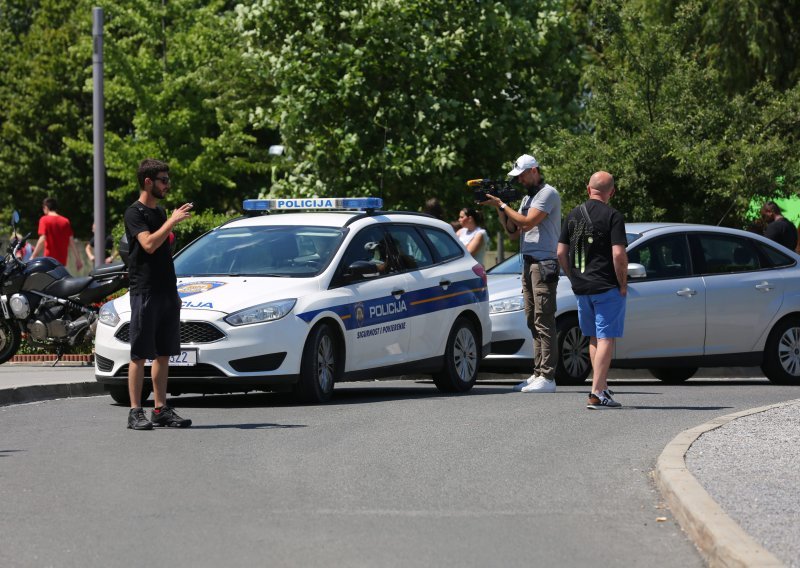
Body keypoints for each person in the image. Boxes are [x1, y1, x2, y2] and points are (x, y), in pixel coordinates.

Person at [481, 154, 561, 393]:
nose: (520, 180)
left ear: (534, 170)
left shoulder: (548, 193)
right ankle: (537, 373)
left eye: (523, 175)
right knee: (531, 319)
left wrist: (503, 205)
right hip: (528, 264)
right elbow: (513, 232)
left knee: (544, 320)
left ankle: (548, 376)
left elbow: (528, 223)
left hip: (544, 263)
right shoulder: (527, 197)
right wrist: (500, 210)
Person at [124, 158, 194, 430]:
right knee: (139, 354)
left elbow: (164, 254)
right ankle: (135, 412)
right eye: (164, 180)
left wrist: (174, 293)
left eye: (168, 180)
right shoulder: (135, 213)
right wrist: (173, 221)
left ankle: (161, 409)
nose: (168, 184)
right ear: (148, 182)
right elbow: (149, 244)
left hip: (166, 290)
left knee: (164, 353)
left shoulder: (161, 212)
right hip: (145, 290)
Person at [557, 171, 627, 409]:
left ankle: (602, 387)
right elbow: (618, 254)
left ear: (588, 189)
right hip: (606, 286)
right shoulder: (613, 216)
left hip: (582, 288)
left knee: (595, 337)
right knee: (607, 337)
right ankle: (596, 391)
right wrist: (623, 283)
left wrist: (573, 276)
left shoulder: (573, 214)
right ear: (612, 192)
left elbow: (560, 253)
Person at [30, 197, 83, 271]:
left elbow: (42, 239)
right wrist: (78, 259)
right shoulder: (65, 221)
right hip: (62, 264)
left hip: (49, 263)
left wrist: (33, 256)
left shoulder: (44, 220)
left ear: (46, 207)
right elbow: (71, 241)